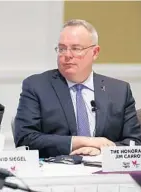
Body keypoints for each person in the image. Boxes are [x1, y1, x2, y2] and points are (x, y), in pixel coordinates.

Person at [14, 19, 141, 158]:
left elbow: (134, 142)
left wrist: (102, 151)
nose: (67, 55)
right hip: (57, 171)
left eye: (76, 48)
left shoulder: (119, 91)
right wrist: (84, 142)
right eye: (62, 48)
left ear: (95, 52)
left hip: (106, 173)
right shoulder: (37, 86)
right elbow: (25, 139)